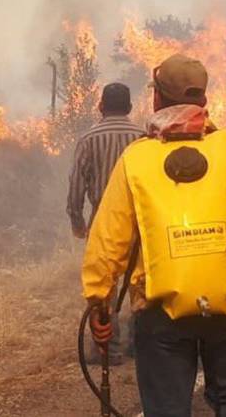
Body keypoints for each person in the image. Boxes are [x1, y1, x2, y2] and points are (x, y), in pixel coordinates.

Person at [82, 53, 226, 417]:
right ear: (204, 99)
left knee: (167, 409)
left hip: (161, 310)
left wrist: (99, 299)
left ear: (157, 98)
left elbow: (108, 240)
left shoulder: (137, 158)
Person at [66, 81, 144, 363]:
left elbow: (76, 185)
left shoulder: (89, 139)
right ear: (130, 107)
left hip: (104, 222)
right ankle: (141, 343)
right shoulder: (144, 139)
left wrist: (77, 221)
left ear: (101, 106)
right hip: (141, 221)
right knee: (141, 281)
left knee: (104, 285)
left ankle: (108, 348)